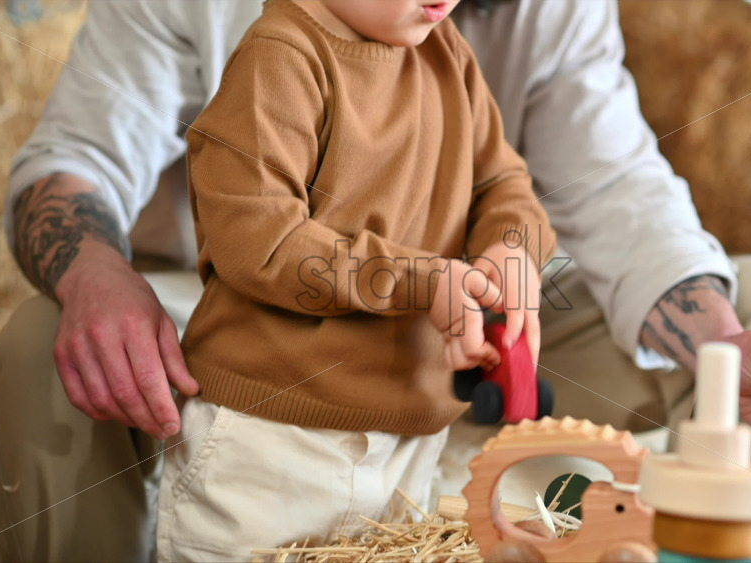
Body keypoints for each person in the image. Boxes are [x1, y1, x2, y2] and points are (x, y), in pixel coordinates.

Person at [0, 0, 751, 560]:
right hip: (250, 325)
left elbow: (596, 180)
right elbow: (96, 168)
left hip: (463, 331)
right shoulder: (279, 49)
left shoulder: (462, 54)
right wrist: (96, 272)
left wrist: (711, 346)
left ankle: (564, 512)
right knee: (37, 347)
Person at [154, 0, 556, 557]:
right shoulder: (281, 57)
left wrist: (512, 250)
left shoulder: (446, 52)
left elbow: (504, 183)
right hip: (272, 442)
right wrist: (421, 281)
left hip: (409, 438)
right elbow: (259, 240)